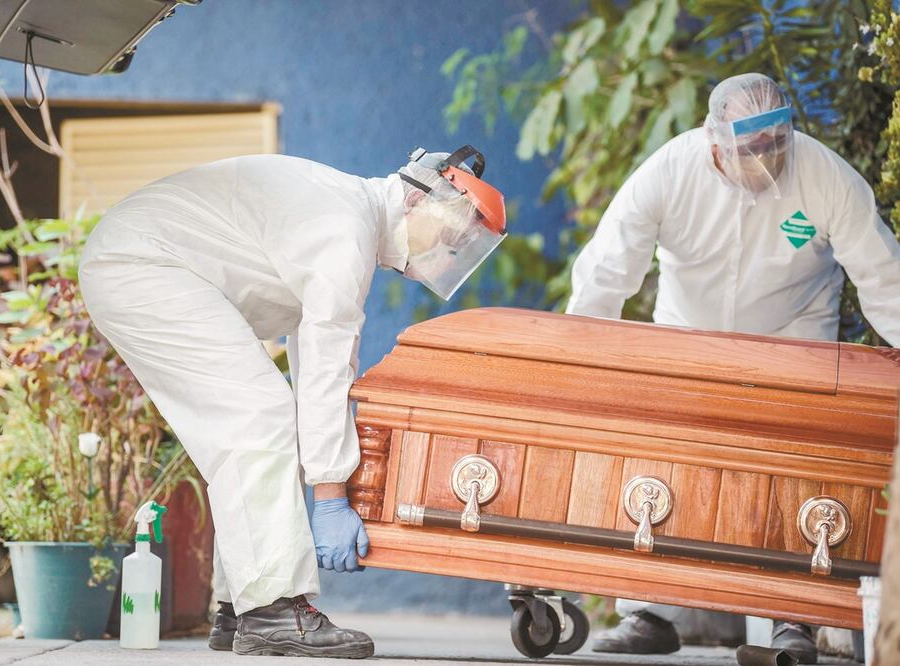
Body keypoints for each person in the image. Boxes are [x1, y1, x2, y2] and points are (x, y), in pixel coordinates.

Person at [79, 146, 506, 658]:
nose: (445, 255)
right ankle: (271, 611)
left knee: (255, 419)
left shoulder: (346, 218)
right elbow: (327, 368)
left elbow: (319, 371)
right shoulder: (346, 229)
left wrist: (329, 476)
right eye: (450, 237)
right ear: (426, 201)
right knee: (256, 419)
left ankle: (242, 606)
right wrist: (329, 498)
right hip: (142, 263)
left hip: (136, 260)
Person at [566, 72, 900, 663]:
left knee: (795, 468)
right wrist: (583, 359)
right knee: (665, 459)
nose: (769, 158)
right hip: (688, 333)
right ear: (713, 140)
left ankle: (793, 619)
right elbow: (608, 267)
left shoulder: (826, 177)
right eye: (752, 148)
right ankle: (649, 612)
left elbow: (883, 276)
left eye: (778, 142)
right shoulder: (670, 172)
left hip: (795, 335)